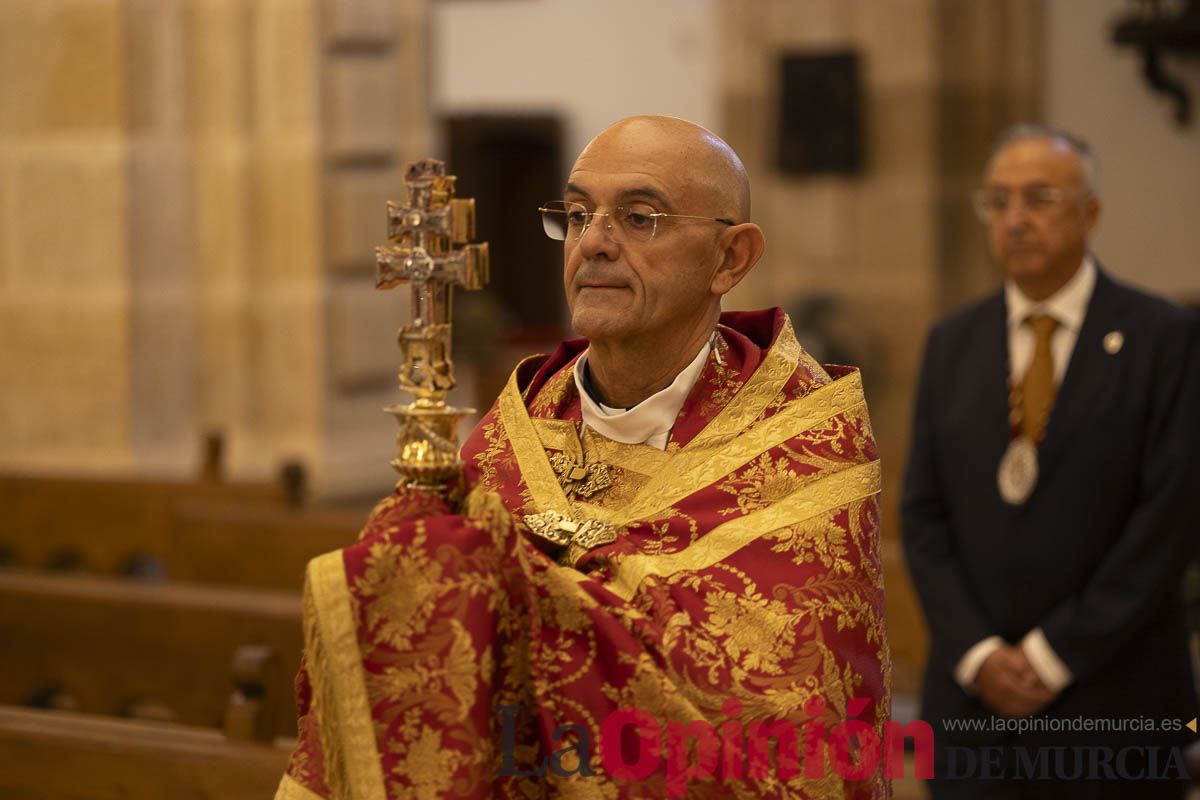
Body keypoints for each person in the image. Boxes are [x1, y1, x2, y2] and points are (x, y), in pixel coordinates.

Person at [275, 116, 890, 799]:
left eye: (639, 217)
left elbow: (789, 728)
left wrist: (512, 586)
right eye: (575, 215)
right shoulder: (516, 428)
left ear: (730, 259)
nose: (593, 243)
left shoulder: (801, 444)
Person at [902, 124, 1200, 798]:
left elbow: (1171, 515)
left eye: (1039, 198)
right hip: (973, 711)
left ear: (1089, 211)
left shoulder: (1164, 337)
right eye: (998, 201)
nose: (1014, 219)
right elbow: (922, 516)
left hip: (1115, 702)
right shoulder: (953, 340)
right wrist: (980, 654)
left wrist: (1050, 655)